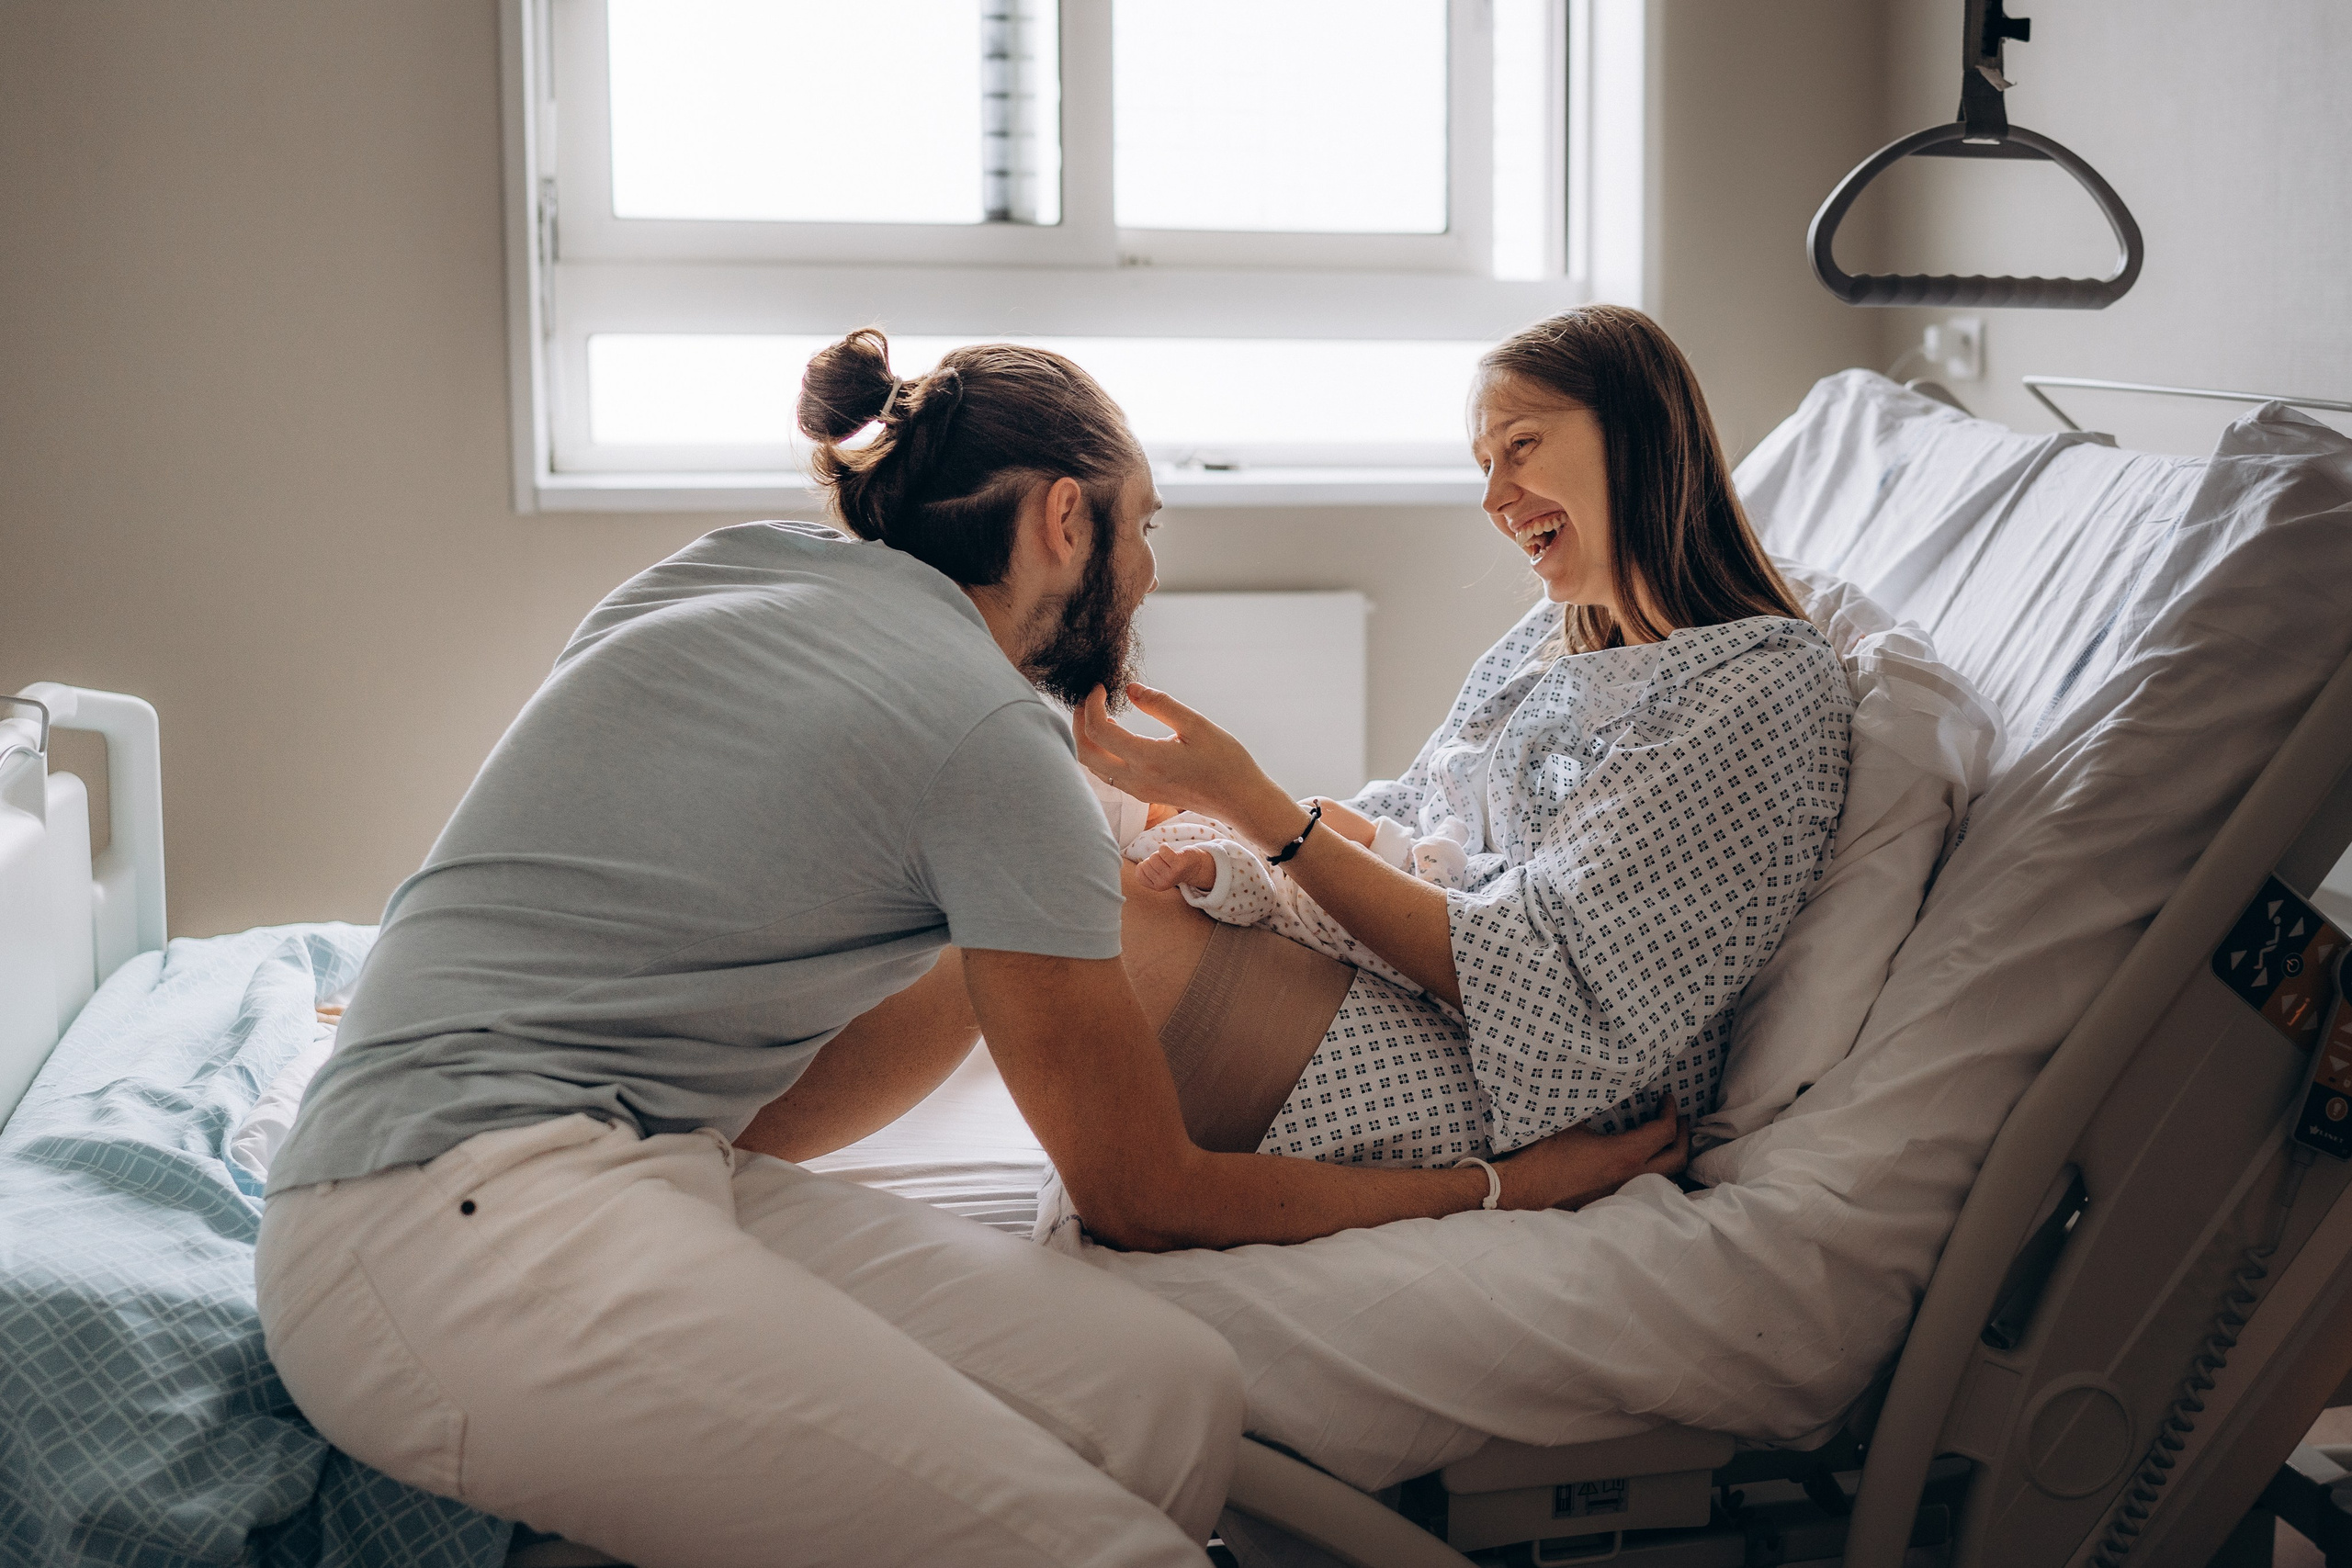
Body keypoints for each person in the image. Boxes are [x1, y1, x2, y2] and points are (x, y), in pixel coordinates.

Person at [252, 328, 1689, 1568]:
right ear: (1066, 518)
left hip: (628, 1154)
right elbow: (1147, 1196)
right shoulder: (992, 741)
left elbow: (776, 1055)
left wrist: (1068, 877)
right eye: (1145, 528)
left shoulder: (725, 569)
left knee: (1168, 1392)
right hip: (437, 1227)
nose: (1145, 572)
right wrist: (1506, 1181)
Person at [1062, 304, 1852, 1210]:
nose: (1493, 499)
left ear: (1636, 432)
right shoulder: (1546, 646)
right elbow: (1411, 816)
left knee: (1081, 905)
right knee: (1111, 837)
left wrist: (1263, 812)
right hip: (1435, 999)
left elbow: (1551, 987)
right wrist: (1222, 817)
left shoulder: (1756, 689)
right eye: (1485, 465)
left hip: (1546, 1092)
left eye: (1520, 446)